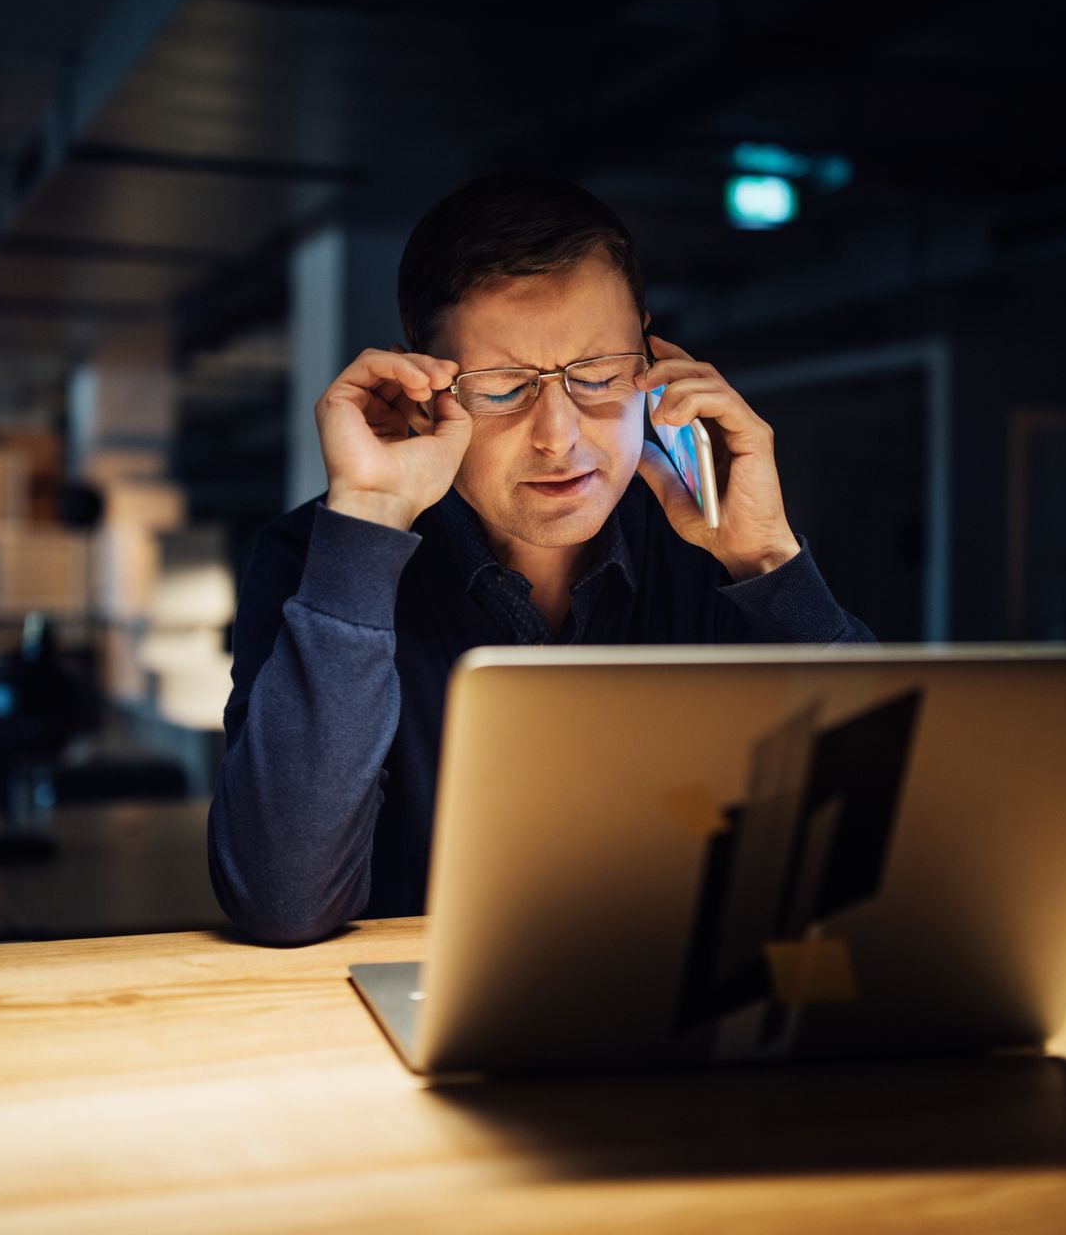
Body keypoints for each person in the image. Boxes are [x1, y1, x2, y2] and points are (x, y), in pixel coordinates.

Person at [209, 171, 875, 946]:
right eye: (503, 389)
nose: (559, 435)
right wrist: (369, 527)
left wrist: (768, 562)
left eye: (595, 376)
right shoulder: (319, 557)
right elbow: (282, 900)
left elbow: (876, 840)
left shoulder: (713, 550)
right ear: (423, 382)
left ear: (651, 359)